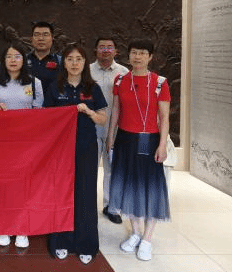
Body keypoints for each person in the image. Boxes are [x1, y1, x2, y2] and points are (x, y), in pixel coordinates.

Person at [106, 39, 171, 262]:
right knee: (129, 185)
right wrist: (111, 135)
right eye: (134, 52)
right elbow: (116, 110)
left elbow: (164, 117)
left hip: (149, 140)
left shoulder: (160, 83)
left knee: (150, 187)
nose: (138, 57)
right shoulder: (120, 80)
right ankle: (135, 232)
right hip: (125, 139)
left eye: (143, 53)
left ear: (150, 57)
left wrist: (162, 144)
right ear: (129, 55)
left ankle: (147, 239)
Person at [44, 43, 107, 264]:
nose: (74, 63)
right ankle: (61, 242)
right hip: (60, 149)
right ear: (64, 62)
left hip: (86, 147)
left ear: (84, 62)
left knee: (85, 193)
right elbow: (45, 118)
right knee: (61, 193)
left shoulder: (92, 88)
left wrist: (88, 111)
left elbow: (102, 119)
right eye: (70, 59)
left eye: (78, 59)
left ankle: (86, 244)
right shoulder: (55, 87)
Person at [0, 43, 43, 249]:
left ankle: (22, 227)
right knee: (3, 186)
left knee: (24, 186)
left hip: (25, 143)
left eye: (17, 56)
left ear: (24, 60)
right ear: (3, 60)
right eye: (9, 56)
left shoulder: (34, 83)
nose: (13, 60)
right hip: (0, 144)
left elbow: (39, 115)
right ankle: (4, 226)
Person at [89, 37, 128, 224]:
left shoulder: (124, 73)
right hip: (91, 128)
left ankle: (110, 207)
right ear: (95, 50)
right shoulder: (87, 71)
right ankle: (87, 206)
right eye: (102, 47)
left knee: (112, 169)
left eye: (109, 47)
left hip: (115, 129)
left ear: (116, 51)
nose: (105, 50)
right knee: (89, 169)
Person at [26, 21, 61, 96]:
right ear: (31, 38)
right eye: (36, 35)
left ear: (52, 38)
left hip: (53, 103)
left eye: (45, 35)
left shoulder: (61, 61)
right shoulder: (22, 61)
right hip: (28, 102)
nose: (41, 38)